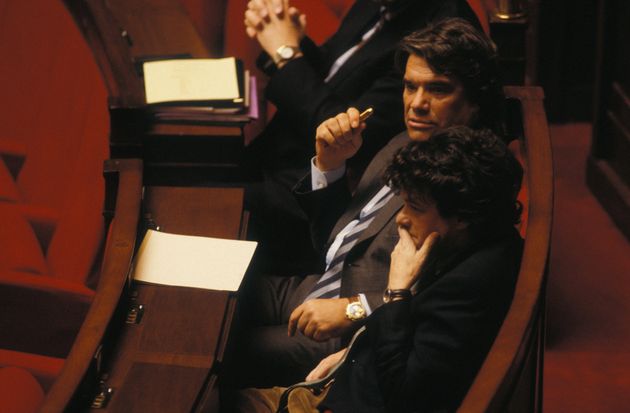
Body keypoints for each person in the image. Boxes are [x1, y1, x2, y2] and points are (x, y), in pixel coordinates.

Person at [227, 18, 503, 388]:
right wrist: (330, 166)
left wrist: (356, 309)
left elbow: (447, 297)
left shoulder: (470, 177)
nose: (417, 104)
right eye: (409, 86)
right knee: (204, 295)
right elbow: (334, 241)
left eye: (437, 90)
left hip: (352, 335)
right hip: (314, 286)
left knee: (220, 347)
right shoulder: (402, 140)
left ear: (472, 102)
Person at [234, 125, 524, 412]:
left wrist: (397, 292)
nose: (402, 219)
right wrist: (351, 354)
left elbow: (404, 396)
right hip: (340, 379)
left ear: (461, 217)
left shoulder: (468, 285)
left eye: (415, 207)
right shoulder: (474, 241)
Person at [242, 0, 484, 274]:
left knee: (211, 203)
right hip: (296, 161)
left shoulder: (442, 26)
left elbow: (351, 129)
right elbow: (337, 75)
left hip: (330, 180)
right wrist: (292, 42)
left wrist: (285, 54)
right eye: (409, 87)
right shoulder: (377, 4)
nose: (417, 101)